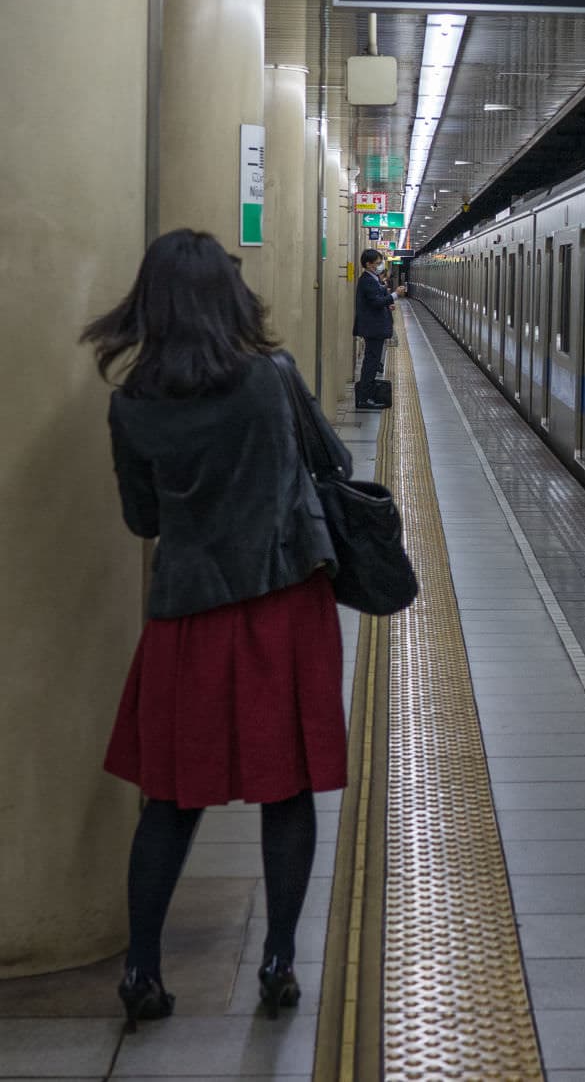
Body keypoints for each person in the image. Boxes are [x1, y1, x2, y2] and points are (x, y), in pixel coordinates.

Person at [80, 229, 350, 1031]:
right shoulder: (273, 378)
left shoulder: (131, 404)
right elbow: (330, 462)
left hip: (186, 619)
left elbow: (143, 519)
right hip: (281, 607)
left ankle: (142, 968)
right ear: (228, 301)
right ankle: (277, 960)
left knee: (170, 796)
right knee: (287, 785)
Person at [353, 248, 402, 408]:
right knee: (371, 363)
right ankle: (364, 399)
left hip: (373, 328)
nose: (380, 266)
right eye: (378, 263)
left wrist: (387, 305)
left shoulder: (372, 278)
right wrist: (394, 295)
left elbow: (375, 301)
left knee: (372, 362)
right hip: (373, 329)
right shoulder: (367, 280)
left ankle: (367, 395)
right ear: (368, 264)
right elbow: (375, 302)